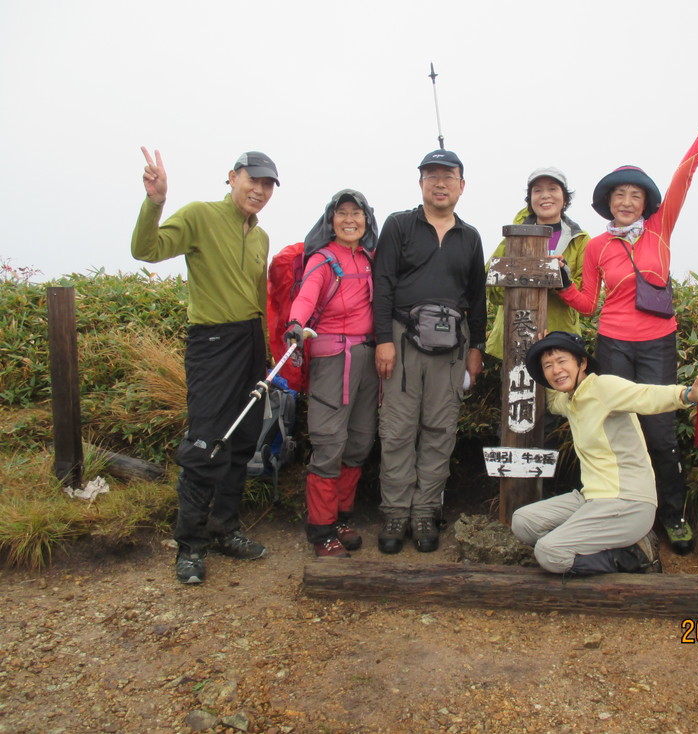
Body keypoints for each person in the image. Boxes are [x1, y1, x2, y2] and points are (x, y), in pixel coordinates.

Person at [555, 82, 698, 555]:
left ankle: (673, 516)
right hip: (613, 343)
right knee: (618, 429)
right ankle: (618, 517)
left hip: (658, 342)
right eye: (618, 195)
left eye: (634, 195)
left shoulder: (660, 229)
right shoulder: (597, 246)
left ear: (646, 202)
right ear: (607, 202)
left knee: (660, 431)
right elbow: (587, 305)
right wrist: (564, 284)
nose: (626, 201)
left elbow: (684, 174)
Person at [132, 148, 280, 584]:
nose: (259, 190)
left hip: (251, 343)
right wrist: (155, 202)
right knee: (205, 444)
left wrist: (267, 353)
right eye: (252, 180)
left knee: (242, 440)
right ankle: (190, 547)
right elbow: (146, 249)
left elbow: (258, 296)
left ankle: (224, 529)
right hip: (212, 343)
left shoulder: (261, 237)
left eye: (268, 184)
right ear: (232, 177)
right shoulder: (198, 215)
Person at [511, 332, 698, 575]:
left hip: (628, 502)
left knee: (549, 553)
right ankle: (584, 545)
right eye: (547, 366)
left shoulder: (603, 387)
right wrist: (545, 342)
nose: (556, 370)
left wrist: (689, 395)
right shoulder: (572, 400)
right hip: (591, 498)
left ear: (581, 363)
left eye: (562, 361)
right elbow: (554, 403)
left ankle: (635, 557)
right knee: (523, 522)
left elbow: (645, 396)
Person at [372, 149, 486, 554]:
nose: (440, 183)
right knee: (398, 429)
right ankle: (395, 512)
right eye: (432, 176)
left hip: (453, 346)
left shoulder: (470, 237)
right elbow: (382, 283)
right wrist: (382, 338)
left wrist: (478, 349)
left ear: (462, 185)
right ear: (420, 183)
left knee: (440, 430)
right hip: (402, 341)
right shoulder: (399, 225)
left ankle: (425, 513)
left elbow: (476, 297)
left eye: (448, 176)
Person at [285, 189, 379, 558]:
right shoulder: (323, 260)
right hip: (332, 360)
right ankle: (321, 529)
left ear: (367, 220)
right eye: (342, 213)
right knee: (328, 441)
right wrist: (296, 322)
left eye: (357, 213)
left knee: (358, 440)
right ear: (331, 220)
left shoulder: (371, 258)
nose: (350, 219)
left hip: (367, 359)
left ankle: (340, 516)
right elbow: (307, 295)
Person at [484, 167, 589, 359]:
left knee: (557, 389)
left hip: (560, 338)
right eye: (537, 190)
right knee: (517, 385)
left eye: (553, 189)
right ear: (530, 200)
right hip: (517, 335)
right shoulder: (513, 236)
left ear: (565, 198)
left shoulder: (580, 240)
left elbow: (584, 296)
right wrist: (526, 277)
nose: (545, 195)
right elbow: (492, 287)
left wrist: (561, 277)